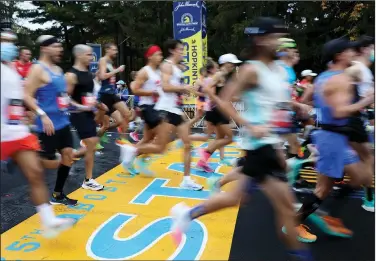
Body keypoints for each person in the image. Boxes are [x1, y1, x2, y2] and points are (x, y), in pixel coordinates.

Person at [170, 17, 313, 261]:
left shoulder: (277, 69)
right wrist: (249, 125)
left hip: (270, 143)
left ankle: (187, 214)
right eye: (274, 36)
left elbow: (273, 102)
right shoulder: (250, 70)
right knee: (286, 209)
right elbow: (225, 100)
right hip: (260, 145)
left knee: (238, 198)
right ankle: (301, 254)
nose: (278, 42)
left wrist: (295, 105)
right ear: (260, 39)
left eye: (280, 37)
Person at [288, 36, 374, 242]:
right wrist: (368, 100)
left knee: (360, 177)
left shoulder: (326, 77)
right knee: (323, 188)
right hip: (332, 138)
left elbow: (309, 102)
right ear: (339, 55)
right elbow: (339, 112)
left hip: (336, 137)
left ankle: (330, 216)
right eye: (349, 51)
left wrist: (307, 110)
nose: (353, 53)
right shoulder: (338, 79)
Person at [1, 30, 75, 237]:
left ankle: (49, 221)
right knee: (45, 164)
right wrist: (42, 114)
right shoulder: (33, 69)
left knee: (36, 173)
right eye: (4, 41)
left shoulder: (13, 70)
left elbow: (19, 98)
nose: (9, 46)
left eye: (11, 42)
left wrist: (28, 115)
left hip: (15, 131)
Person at [121, 39, 203, 190]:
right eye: (180, 49)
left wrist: (186, 90)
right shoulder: (166, 66)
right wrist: (182, 88)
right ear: (172, 50)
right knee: (160, 147)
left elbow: (171, 87)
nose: (182, 52)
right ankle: (134, 150)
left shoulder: (174, 68)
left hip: (176, 110)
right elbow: (165, 87)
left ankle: (186, 179)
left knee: (186, 144)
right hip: (165, 110)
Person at [23, 35, 78, 206]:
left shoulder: (58, 70)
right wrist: (42, 114)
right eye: (56, 46)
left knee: (68, 156)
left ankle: (58, 194)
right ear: (44, 48)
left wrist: (75, 106)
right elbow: (26, 95)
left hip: (63, 122)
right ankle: (25, 160)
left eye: (60, 47)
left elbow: (61, 96)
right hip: (47, 125)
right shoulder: (37, 69)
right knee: (50, 163)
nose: (60, 50)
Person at [65, 44, 105, 191]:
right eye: (89, 55)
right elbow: (65, 97)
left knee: (91, 145)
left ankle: (72, 158)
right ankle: (88, 180)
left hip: (88, 112)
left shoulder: (88, 73)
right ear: (79, 55)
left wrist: (99, 105)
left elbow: (89, 95)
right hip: (77, 113)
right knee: (92, 143)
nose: (92, 58)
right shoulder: (71, 75)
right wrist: (81, 107)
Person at [196, 53, 241, 172]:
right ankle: (204, 152)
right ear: (224, 64)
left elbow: (226, 96)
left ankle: (203, 161)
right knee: (230, 138)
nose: (233, 66)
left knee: (219, 138)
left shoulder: (227, 76)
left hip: (218, 109)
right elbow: (207, 90)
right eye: (232, 64)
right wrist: (218, 101)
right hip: (217, 110)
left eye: (234, 64)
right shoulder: (219, 75)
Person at [97, 43, 129, 144]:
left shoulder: (110, 62)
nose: (116, 52)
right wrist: (117, 70)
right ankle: (91, 141)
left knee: (122, 118)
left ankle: (122, 141)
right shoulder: (103, 60)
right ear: (107, 50)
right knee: (105, 125)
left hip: (112, 93)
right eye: (114, 50)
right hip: (105, 95)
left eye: (116, 50)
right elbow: (102, 76)